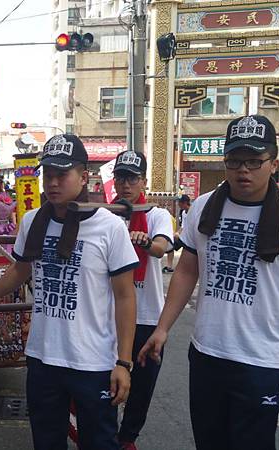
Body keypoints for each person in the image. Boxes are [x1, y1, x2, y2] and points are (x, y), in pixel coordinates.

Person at [0, 134, 139, 450]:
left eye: (62, 174)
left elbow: (124, 297)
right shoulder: (33, 221)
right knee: (47, 441)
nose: (52, 182)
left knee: (99, 442)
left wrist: (123, 363)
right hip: (43, 358)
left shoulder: (110, 227)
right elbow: (19, 271)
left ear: (83, 177)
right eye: (48, 174)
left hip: (93, 363)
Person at [139, 115, 279, 450]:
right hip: (207, 352)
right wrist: (162, 329)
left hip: (262, 359)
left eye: (253, 160)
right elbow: (188, 270)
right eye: (234, 160)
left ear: (272, 163)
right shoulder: (205, 207)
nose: (242, 170)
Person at [111, 151, 173, 450]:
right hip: (110, 317)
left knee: (142, 387)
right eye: (121, 177)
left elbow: (162, 247)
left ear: (143, 181)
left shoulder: (156, 214)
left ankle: (127, 439)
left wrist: (147, 242)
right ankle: (103, 434)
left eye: (132, 178)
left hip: (147, 318)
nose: (126, 185)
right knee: (105, 382)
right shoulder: (104, 216)